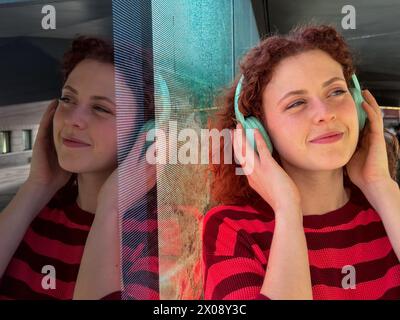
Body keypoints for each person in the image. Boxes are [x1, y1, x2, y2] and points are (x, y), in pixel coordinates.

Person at [203, 25, 400, 300]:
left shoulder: (389, 209)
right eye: (296, 103)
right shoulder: (232, 229)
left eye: (336, 92)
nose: (325, 113)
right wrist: (287, 210)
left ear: (358, 106)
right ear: (257, 131)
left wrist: (381, 186)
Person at [0, 36, 158, 299]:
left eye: (100, 108)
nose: (73, 119)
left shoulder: (160, 238)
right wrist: (36, 187)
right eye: (67, 99)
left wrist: (111, 208)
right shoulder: (33, 215)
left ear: (146, 133)